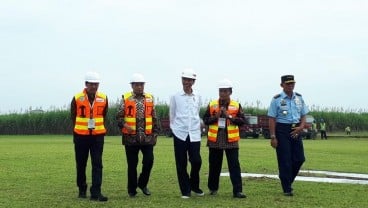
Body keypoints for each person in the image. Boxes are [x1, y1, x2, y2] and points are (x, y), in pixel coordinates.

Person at [116, 73, 159, 197]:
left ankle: (142, 183)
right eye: (137, 85)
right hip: (131, 138)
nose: (139, 87)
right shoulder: (126, 98)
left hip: (147, 137)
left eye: (141, 84)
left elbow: (154, 116)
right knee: (132, 165)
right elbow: (118, 117)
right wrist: (124, 125)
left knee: (149, 161)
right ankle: (132, 190)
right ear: (132, 86)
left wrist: (156, 132)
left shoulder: (150, 98)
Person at [202, 79, 247, 198]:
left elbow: (243, 121)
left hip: (231, 140)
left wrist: (229, 116)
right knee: (214, 165)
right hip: (215, 139)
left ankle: (237, 191)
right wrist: (215, 117)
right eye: (221, 91)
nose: (222, 93)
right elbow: (205, 120)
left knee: (234, 166)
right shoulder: (212, 105)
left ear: (230, 92)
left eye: (225, 91)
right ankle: (213, 188)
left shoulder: (236, 105)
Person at [267, 75, 309, 197]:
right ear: (282, 85)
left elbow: (304, 114)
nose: (291, 85)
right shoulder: (276, 99)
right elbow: (271, 118)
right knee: (285, 159)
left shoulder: (299, 98)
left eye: (292, 83)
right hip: (282, 130)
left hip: (296, 129)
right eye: (288, 84)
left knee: (300, 158)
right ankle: (287, 188)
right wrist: (273, 136)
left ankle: (287, 179)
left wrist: (301, 127)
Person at [70, 71, 108, 201]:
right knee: (81, 164)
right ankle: (82, 189)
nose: (94, 87)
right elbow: (73, 116)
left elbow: (104, 115)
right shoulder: (77, 98)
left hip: (97, 137)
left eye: (96, 84)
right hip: (81, 136)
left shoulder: (103, 98)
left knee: (97, 164)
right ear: (86, 84)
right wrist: (77, 132)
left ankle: (96, 192)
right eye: (91, 84)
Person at [169, 68, 204, 199]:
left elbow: (197, 113)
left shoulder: (198, 96)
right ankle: (185, 190)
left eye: (189, 80)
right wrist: (174, 128)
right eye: (184, 79)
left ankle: (194, 185)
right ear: (182, 80)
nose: (187, 82)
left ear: (193, 82)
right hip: (180, 133)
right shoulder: (175, 96)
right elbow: (172, 114)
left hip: (194, 133)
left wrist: (200, 125)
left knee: (196, 161)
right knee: (181, 162)